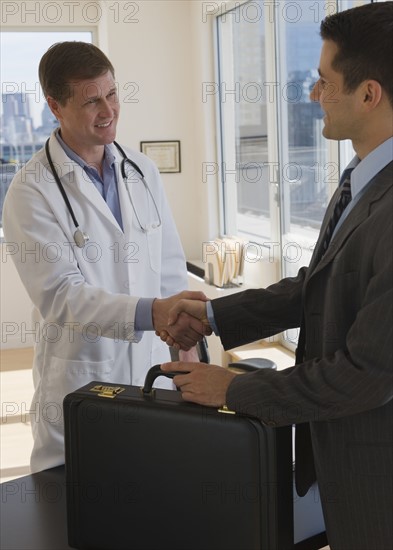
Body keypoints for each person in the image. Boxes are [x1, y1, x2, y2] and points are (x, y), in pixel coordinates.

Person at [159, 3, 393, 549]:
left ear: (369, 94)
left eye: (323, 82)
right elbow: (322, 283)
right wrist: (215, 313)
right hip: (348, 457)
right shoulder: (361, 176)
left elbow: (366, 373)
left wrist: (237, 388)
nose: (313, 95)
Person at [2, 42, 205, 473]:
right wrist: (155, 312)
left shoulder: (142, 171)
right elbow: (61, 297)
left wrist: (187, 345)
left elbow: (169, 268)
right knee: (77, 511)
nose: (107, 109)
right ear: (55, 106)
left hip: (154, 371)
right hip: (84, 379)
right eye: (91, 100)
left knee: (155, 493)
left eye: (111, 94)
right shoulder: (31, 189)